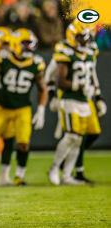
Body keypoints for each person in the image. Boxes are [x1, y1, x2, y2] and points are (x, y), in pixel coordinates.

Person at [0, 28, 47, 186]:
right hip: (2, 106)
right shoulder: (3, 59)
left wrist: (41, 110)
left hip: (23, 108)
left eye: (31, 43)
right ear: (16, 44)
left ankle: (19, 176)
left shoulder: (36, 63)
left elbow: (42, 88)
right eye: (26, 43)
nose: (30, 47)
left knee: (23, 143)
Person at [48, 20, 99, 185]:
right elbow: (60, 81)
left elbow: (91, 73)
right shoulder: (65, 51)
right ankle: (55, 167)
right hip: (70, 99)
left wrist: (96, 93)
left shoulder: (90, 52)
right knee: (71, 136)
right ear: (72, 37)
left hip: (84, 100)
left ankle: (67, 175)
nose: (85, 40)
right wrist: (79, 86)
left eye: (86, 37)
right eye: (81, 37)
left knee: (79, 139)